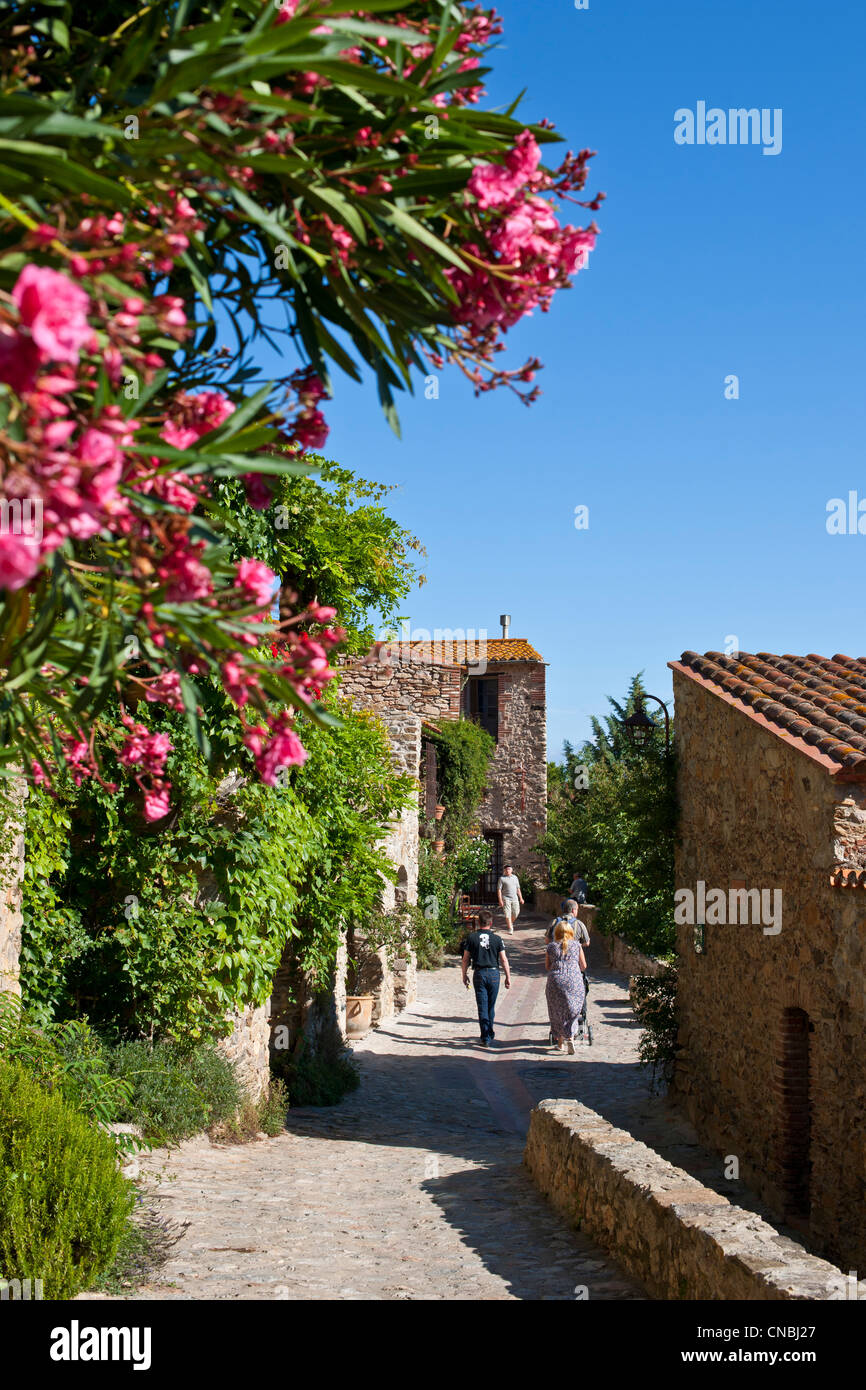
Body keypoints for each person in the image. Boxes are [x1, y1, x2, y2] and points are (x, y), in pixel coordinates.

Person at [462, 908, 511, 1047]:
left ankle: (485, 1036)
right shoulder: (497, 939)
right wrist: (508, 976)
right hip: (494, 973)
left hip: (479, 973)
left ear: (478, 922)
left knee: (482, 1005)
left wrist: (464, 975)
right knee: (491, 1005)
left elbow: (465, 959)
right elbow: (503, 959)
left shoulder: (471, 938)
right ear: (491, 922)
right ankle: (489, 1032)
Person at [545, 920, 586, 1055]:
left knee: (556, 1010)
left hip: (556, 980)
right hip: (574, 980)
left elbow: (547, 966)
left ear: (556, 933)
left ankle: (560, 1042)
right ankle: (570, 1037)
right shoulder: (577, 945)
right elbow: (583, 965)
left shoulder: (551, 947)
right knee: (573, 1010)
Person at [496, 863, 524, 934]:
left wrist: (521, 898)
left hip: (515, 898)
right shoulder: (502, 878)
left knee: (516, 913)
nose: (507, 870)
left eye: (509, 869)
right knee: (507, 914)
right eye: (506, 869)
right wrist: (500, 900)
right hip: (506, 898)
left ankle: (510, 923)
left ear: (511, 870)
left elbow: (518, 889)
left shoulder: (515, 878)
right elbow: (499, 890)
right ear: (504, 870)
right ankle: (510, 928)